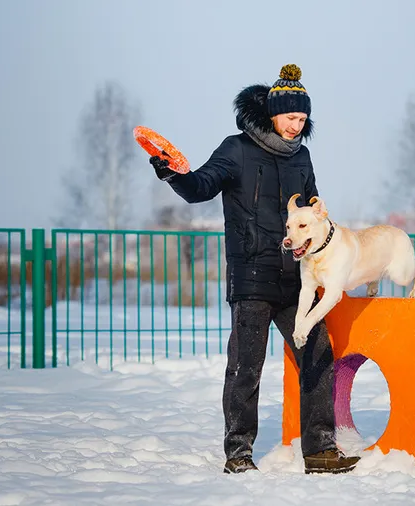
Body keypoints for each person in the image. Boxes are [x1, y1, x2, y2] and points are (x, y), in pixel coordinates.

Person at [150, 64, 361, 475]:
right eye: (290, 118)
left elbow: (313, 211)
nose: (296, 127)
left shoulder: (303, 156)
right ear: (271, 114)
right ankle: (239, 453)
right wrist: (174, 174)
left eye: (303, 119)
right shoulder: (236, 149)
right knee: (246, 366)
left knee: (318, 355)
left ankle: (320, 450)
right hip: (251, 277)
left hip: (298, 279)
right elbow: (199, 188)